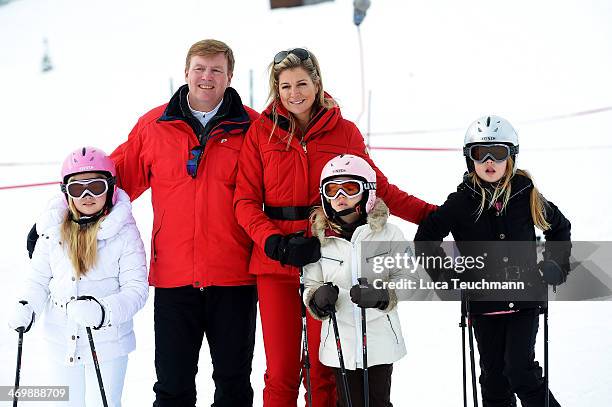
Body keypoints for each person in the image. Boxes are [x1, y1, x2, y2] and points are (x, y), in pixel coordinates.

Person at [233, 47, 436, 407]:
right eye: (285, 86)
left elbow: (380, 187)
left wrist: (433, 216)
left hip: (330, 258)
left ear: (317, 83)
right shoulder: (261, 133)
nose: (294, 93)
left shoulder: (344, 132)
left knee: (323, 368)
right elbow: (245, 202)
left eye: (302, 83)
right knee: (280, 371)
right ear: (275, 90)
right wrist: (275, 243)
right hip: (277, 262)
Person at [109, 39, 259, 407]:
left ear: (230, 76)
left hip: (235, 277)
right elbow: (111, 184)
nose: (207, 77)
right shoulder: (154, 126)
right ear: (186, 72)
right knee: (172, 387)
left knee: (234, 385)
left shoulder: (255, 127)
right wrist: (60, 216)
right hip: (175, 279)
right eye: (200, 68)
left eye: (216, 70)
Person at [414, 115, 572, 407]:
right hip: (483, 305)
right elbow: (425, 239)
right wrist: (445, 275)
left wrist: (555, 264)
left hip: (524, 301)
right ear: (468, 158)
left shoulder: (527, 195)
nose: (489, 161)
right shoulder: (461, 202)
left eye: (498, 153)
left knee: (520, 371)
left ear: (511, 156)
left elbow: (560, 228)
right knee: (494, 380)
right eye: (479, 153)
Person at [9, 147, 149, 407]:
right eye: (77, 189)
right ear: (66, 193)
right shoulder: (52, 230)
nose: (86, 196)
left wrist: (102, 312)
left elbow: (137, 289)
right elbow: (38, 281)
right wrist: (27, 306)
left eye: (95, 186)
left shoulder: (124, 232)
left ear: (110, 188)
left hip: (108, 345)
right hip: (60, 341)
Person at [303, 154, 409, 407]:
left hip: (379, 340)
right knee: (347, 402)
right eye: (332, 189)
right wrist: (317, 299)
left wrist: (383, 295)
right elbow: (310, 284)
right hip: (340, 342)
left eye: (350, 188)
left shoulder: (388, 233)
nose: (340, 196)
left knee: (377, 401)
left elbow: (406, 278)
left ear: (368, 192)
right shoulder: (320, 240)